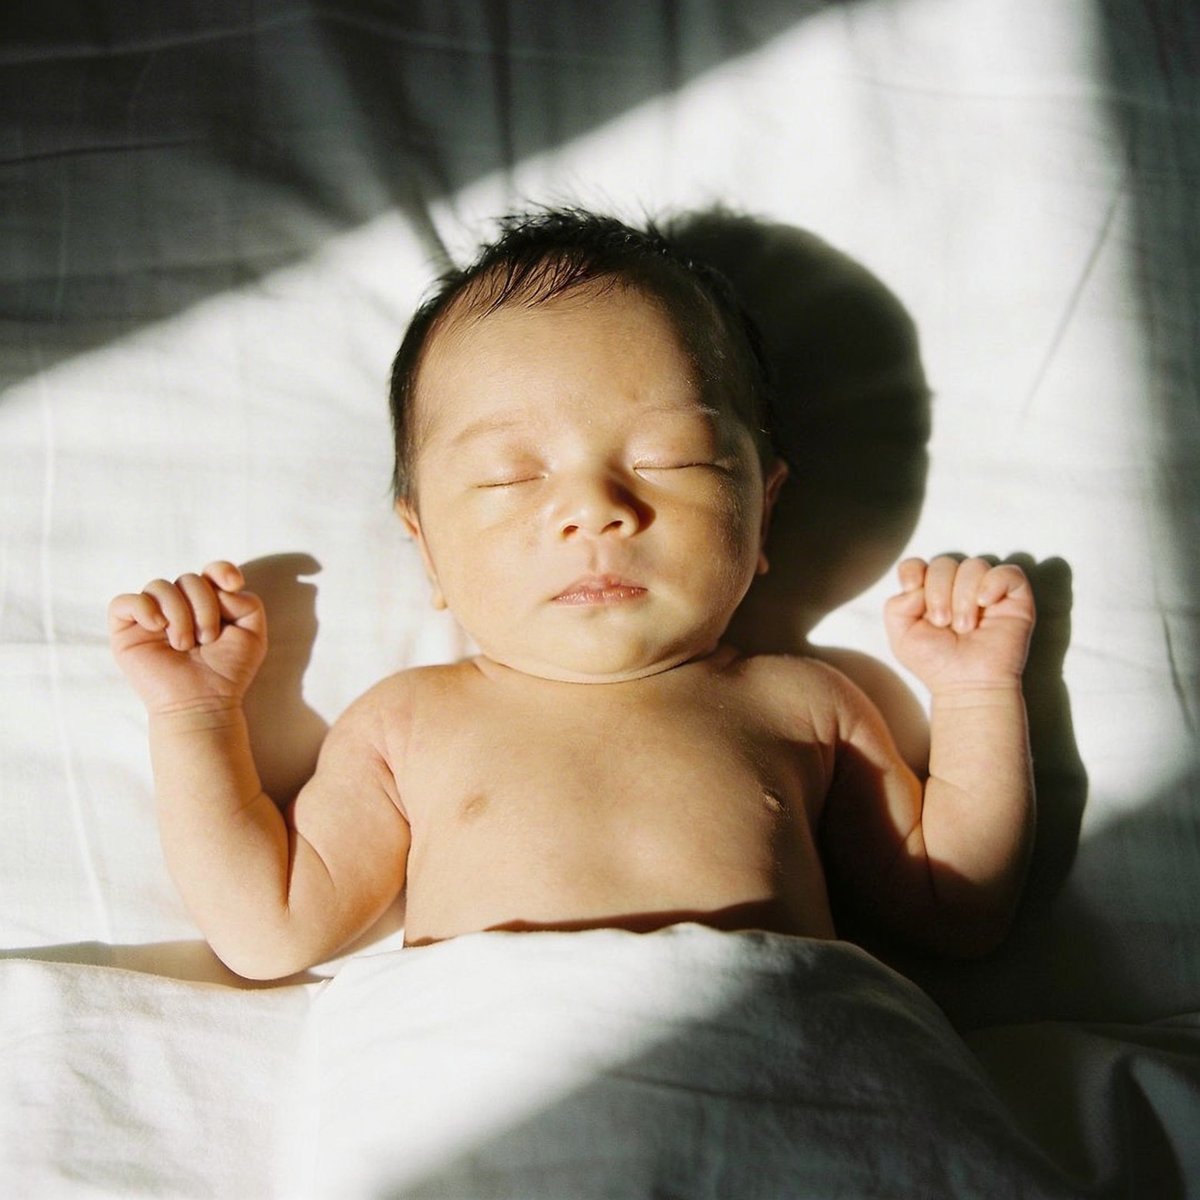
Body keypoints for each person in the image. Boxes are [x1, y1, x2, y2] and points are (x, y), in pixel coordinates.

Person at [108, 210, 1036, 981]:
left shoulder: (804, 704)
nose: (594, 510)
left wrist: (975, 695)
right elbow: (267, 931)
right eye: (511, 477)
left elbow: (954, 910)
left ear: (764, 516)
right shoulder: (408, 724)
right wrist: (195, 717)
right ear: (425, 548)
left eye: (668, 458)